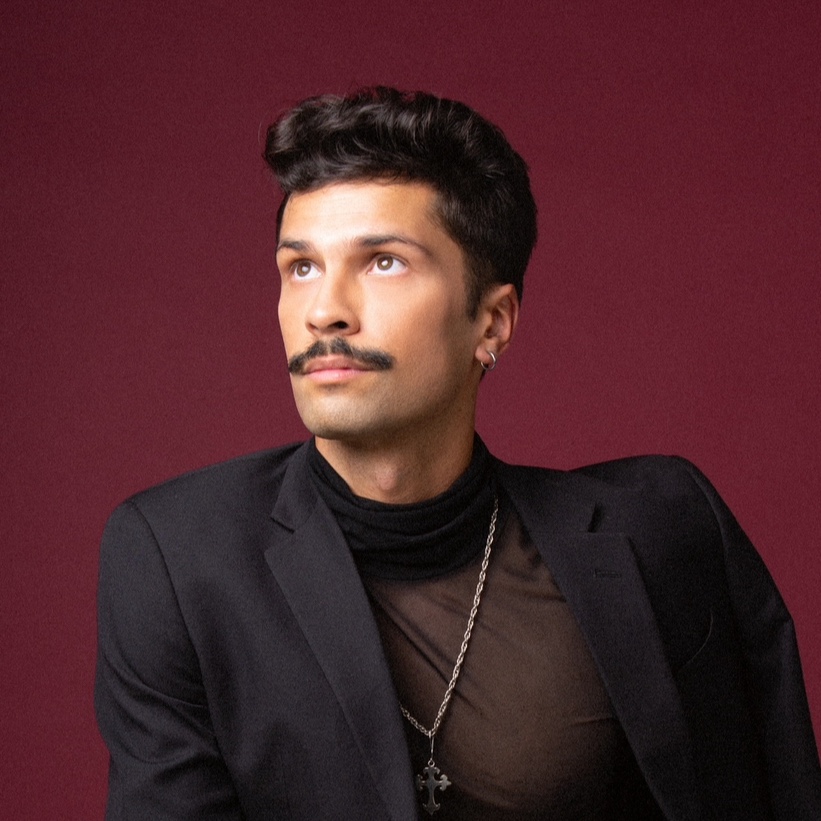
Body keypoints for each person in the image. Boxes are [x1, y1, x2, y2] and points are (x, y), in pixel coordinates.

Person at [95, 87, 821, 820]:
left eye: (383, 262)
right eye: (301, 267)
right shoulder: (178, 558)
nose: (324, 311)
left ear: (493, 322)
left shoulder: (661, 529)